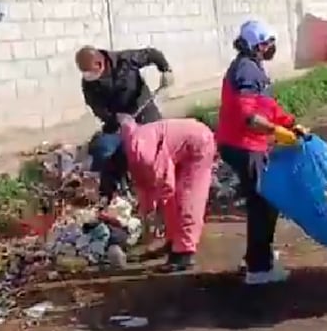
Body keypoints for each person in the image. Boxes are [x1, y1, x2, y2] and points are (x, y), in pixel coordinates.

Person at [215, 19, 306, 285]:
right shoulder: (246, 70)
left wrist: (289, 122)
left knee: (265, 201)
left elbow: (265, 105)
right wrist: (278, 132)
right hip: (243, 144)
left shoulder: (252, 67)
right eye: (269, 43)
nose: (271, 48)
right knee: (263, 204)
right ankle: (258, 267)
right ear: (258, 45)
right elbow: (249, 117)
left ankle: (259, 255)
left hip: (246, 142)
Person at [117, 114, 215, 272]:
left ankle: (184, 253)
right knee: (170, 202)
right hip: (178, 146)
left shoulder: (142, 153)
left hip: (198, 144)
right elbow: (145, 186)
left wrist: (153, 214)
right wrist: (146, 211)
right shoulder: (132, 147)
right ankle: (174, 241)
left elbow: (165, 184)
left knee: (187, 198)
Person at [74, 45, 175, 199]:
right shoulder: (89, 83)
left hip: (145, 114)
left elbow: (153, 54)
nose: (87, 77)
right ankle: (114, 193)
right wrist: (115, 118)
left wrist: (166, 70)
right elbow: (96, 107)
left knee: (153, 151)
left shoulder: (126, 60)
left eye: (89, 72)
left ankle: (161, 188)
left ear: (99, 64)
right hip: (117, 122)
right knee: (105, 151)